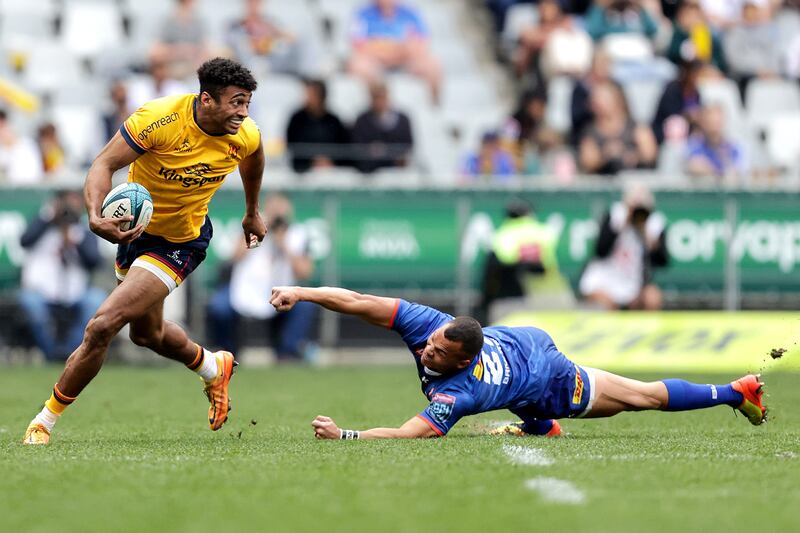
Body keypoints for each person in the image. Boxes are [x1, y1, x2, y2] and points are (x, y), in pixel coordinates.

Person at [22, 58, 267, 445]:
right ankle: (212, 366)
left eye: (247, 103)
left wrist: (252, 212)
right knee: (147, 334)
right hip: (134, 235)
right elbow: (104, 164)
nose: (244, 113)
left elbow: (254, 159)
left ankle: (43, 421)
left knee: (102, 325)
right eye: (237, 102)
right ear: (206, 99)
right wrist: (94, 215)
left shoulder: (245, 134)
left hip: (180, 242)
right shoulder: (159, 119)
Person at [266, 286, 766, 440]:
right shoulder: (430, 324)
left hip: (547, 375)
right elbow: (358, 301)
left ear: (464, 360)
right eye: (431, 344)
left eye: (439, 353)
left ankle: (735, 391)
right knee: (523, 403)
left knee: (640, 398)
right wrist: (301, 293)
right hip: (520, 342)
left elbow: (406, 433)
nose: (428, 351)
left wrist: (346, 435)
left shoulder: (460, 394)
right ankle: (539, 426)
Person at [206, 193, 316, 360]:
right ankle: (228, 352)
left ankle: (288, 353)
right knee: (220, 306)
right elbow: (234, 257)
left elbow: (304, 272)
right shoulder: (250, 227)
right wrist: (258, 232)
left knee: (305, 305)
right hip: (244, 288)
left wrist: (282, 242)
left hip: (282, 289)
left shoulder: (298, 234)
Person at [17, 190, 106, 361]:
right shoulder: (42, 227)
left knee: (95, 301)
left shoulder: (82, 231)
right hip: (41, 292)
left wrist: (75, 240)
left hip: (75, 294)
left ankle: (72, 352)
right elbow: (24, 240)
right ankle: (51, 353)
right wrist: (48, 216)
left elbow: (94, 260)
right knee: (32, 304)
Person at [579, 182, 668, 310]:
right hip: (605, 278)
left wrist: (646, 236)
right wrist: (622, 225)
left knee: (652, 297)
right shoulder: (615, 216)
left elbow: (662, 261)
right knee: (606, 304)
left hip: (634, 282)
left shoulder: (654, 225)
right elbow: (600, 251)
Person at [479, 199, 569, 323]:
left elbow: (493, 270)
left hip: (511, 297)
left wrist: (486, 301)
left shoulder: (501, 236)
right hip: (548, 294)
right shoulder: (544, 232)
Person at [348, 0, 442, 104]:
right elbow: (358, 45)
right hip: (375, 61)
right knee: (359, 65)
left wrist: (382, 46)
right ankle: (376, 105)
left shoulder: (411, 13)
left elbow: (421, 44)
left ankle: (435, 106)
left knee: (433, 65)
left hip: (406, 61)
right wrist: (394, 49)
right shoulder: (363, 14)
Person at [578, 80, 658, 175]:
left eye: (602, 99)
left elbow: (650, 155)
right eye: (595, 100)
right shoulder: (590, 131)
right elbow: (587, 162)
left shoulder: (637, 128)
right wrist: (606, 155)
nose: (597, 103)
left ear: (617, 99)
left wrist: (632, 157)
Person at [285, 79, 351, 173]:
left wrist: (330, 161)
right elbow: (293, 146)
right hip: (302, 171)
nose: (307, 98)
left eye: (311, 95)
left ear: (321, 97)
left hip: (332, 171)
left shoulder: (334, 121)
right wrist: (311, 162)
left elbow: (342, 147)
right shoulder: (297, 120)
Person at [351, 81, 414, 174]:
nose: (379, 101)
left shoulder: (402, 120)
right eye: (376, 97)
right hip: (369, 171)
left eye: (382, 97)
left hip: (396, 171)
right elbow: (358, 146)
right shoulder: (362, 121)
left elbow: (407, 145)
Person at [684, 104, 746, 181]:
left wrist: (716, 172)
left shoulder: (733, 148)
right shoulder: (694, 145)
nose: (714, 127)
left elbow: (738, 170)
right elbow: (694, 165)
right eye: (710, 122)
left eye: (717, 122)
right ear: (703, 123)